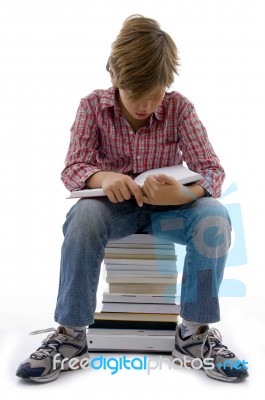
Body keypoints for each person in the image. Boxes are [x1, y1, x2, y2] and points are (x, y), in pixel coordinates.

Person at [16, 15, 248, 383]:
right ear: (114, 78)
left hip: (171, 210)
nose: (145, 104)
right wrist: (104, 176)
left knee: (215, 216)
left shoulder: (180, 109)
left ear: (167, 82)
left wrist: (184, 193)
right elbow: (73, 168)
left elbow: (213, 172)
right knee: (84, 216)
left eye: (154, 94)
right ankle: (71, 334)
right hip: (114, 211)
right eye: (134, 94)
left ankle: (194, 334)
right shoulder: (93, 106)